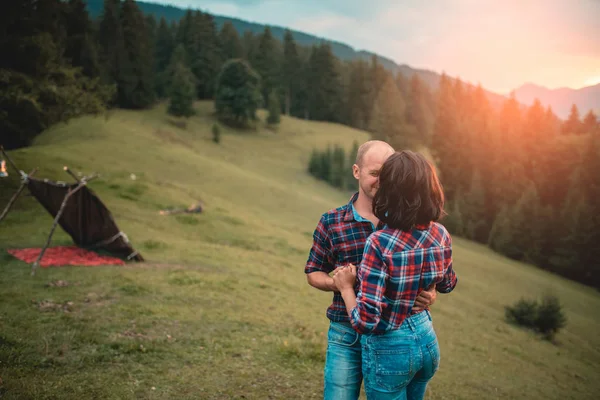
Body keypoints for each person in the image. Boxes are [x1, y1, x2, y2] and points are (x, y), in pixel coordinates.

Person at [305, 141, 438, 400]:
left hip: (396, 335)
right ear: (357, 171)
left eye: (387, 175)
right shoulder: (331, 221)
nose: (382, 181)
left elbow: (431, 268)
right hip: (347, 334)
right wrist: (340, 285)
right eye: (375, 174)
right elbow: (313, 273)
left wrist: (431, 294)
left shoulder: (407, 220)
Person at [332, 150, 457, 399]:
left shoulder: (380, 243)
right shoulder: (441, 233)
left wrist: (346, 287)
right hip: (427, 341)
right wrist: (429, 290)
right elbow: (448, 283)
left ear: (391, 192)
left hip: (391, 349)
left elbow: (365, 321)